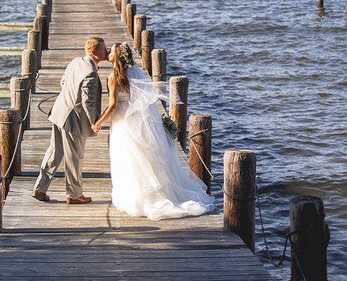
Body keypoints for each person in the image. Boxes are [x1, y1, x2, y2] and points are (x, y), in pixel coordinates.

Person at [91, 42, 215, 220]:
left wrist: (98, 123)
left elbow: (112, 106)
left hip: (123, 121)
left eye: (110, 51)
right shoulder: (135, 72)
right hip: (137, 120)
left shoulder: (113, 77)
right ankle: (152, 191)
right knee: (142, 155)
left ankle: (134, 197)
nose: (108, 52)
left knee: (127, 157)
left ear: (116, 57)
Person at [33, 36, 107, 204]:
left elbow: (63, 82)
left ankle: (40, 188)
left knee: (54, 151)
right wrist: (95, 122)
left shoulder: (75, 61)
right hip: (73, 119)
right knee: (75, 156)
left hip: (59, 111)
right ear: (94, 52)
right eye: (104, 49)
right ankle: (74, 194)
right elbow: (88, 101)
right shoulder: (91, 72)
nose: (107, 51)